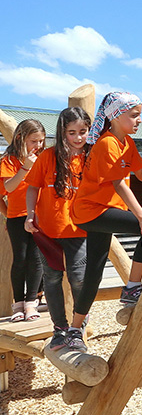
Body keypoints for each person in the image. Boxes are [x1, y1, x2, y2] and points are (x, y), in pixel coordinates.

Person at [68, 92, 142, 352]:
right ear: (116, 116)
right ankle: (132, 287)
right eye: (134, 115)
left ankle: (73, 329)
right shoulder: (107, 144)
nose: (139, 120)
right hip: (90, 211)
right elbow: (118, 183)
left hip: (101, 212)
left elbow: (140, 175)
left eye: (140, 114)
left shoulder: (127, 143)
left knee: (93, 272)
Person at [24, 107, 90, 350]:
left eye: (82, 132)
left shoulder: (92, 157)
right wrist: (30, 215)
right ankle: (60, 328)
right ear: (62, 132)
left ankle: (77, 326)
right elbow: (32, 187)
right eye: (71, 132)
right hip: (48, 231)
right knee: (51, 279)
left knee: (79, 279)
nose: (77, 138)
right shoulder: (48, 156)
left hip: (80, 231)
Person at [1, 119, 46, 322]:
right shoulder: (9, 161)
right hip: (16, 217)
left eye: (41, 141)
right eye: (34, 141)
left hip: (39, 216)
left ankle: (31, 303)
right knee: (20, 259)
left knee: (36, 259)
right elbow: (8, 188)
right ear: (20, 138)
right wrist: (26, 167)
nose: (38, 146)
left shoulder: (43, 158)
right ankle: (18, 303)